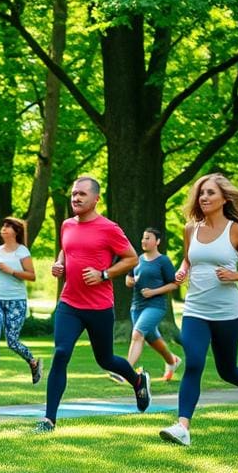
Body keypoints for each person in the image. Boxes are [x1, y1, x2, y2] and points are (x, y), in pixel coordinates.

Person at [160, 173, 238, 447]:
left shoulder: (236, 230)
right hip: (196, 309)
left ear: (224, 198)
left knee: (227, 370)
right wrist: (182, 270)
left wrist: (234, 276)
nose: (204, 198)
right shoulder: (190, 229)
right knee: (194, 362)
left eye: (210, 193)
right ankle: (183, 426)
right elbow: (188, 258)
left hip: (227, 312)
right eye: (201, 193)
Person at [39, 176, 150, 434]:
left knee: (106, 359)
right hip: (69, 302)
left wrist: (104, 274)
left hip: (99, 306)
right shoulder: (67, 225)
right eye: (73, 194)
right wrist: (60, 264)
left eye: (82, 194)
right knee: (61, 353)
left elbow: (132, 258)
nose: (75, 198)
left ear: (96, 198)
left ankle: (137, 380)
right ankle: (48, 419)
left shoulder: (109, 228)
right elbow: (66, 250)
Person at [0, 217, 43, 388]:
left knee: (12, 341)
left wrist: (11, 271)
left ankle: (33, 362)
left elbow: (31, 275)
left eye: (8, 226)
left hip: (16, 301)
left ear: (16, 232)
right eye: (3, 225)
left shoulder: (22, 251)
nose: (3, 228)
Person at [119, 227, 182, 380]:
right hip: (137, 306)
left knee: (137, 334)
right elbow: (128, 278)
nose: (144, 241)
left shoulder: (163, 261)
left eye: (148, 238)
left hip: (155, 306)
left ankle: (125, 372)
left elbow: (174, 284)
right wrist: (129, 281)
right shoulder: (138, 259)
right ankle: (172, 360)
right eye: (143, 238)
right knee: (152, 339)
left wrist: (154, 292)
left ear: (157, 241)